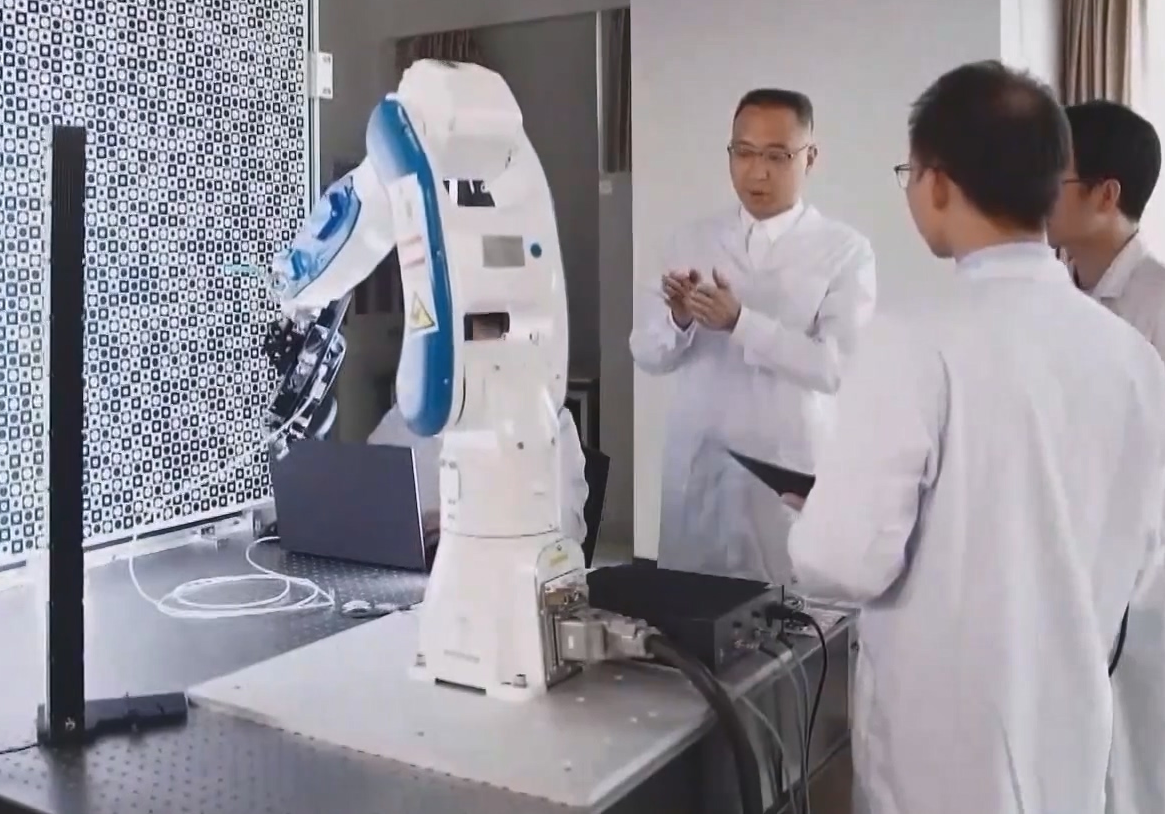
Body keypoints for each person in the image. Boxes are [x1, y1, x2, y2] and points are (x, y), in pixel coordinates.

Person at [785, 62, 1165, 814]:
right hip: (1068, 728)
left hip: (943, 743)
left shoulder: (913, 338)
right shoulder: (1132, 358)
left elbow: (840, 562)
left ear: (936, 182)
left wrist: (823, 513)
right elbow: (1140, 553)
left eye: (909, 173)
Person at [1050, 101, 1165, 814]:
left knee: (1135, 755)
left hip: (1140, 567)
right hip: (1062, 553)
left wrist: (1090, 444)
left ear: (1106, 194)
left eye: (1054, 176)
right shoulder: (1050, 294)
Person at [632, 87, 877, 584]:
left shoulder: (843, 250)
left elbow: (837, 367)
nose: (757, 172)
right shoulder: (690, 239)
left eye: (776, 156)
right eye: (743, 153)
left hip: (784, 469)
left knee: (790, 613)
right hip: (701, 464)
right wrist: (680, 320)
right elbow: (647, 353)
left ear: (810, 157)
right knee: (690, 609)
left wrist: (741, 323)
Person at [368, 317, 590, 546]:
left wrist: (465, 525)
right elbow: (365, 492)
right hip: (411, 566)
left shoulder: (551, 421)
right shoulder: (415, 413)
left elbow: (566, 532)